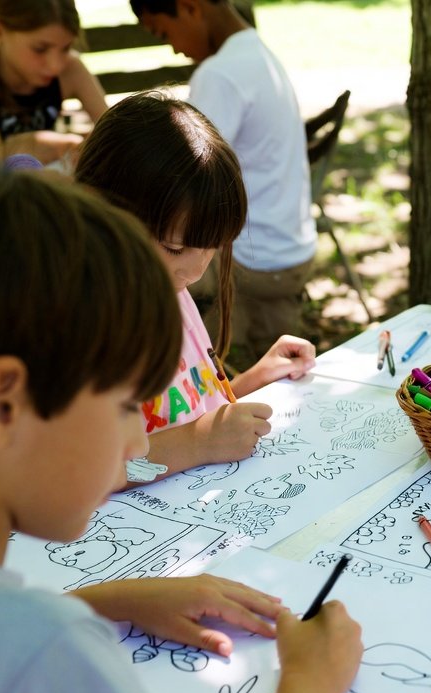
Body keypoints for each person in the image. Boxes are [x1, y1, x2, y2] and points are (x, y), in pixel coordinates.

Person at [0, 160, 363, 693]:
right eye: (125, 406)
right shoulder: (45, 656)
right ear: (1, 406)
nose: (140, 445)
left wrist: (100, 602)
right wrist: (311, 686)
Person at [74, 91, 317, 485]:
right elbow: (86, 472)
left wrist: (254, 381)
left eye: (212, 249)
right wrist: (198, 444)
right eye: (174, 248)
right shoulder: (82, 325)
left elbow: (177, 416)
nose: (196, 271)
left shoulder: (166, 287)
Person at [131, 0, 318, 368]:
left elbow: (183, 176)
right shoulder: (258, 52)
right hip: (291, 245)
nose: (174, 47)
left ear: (189, 7)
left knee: (153, 262)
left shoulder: (220, 74)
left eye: (164, 32)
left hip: (254, 258)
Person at [0, 0, 108, 167]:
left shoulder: (70, 67)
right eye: (40, 49)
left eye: (66, 48)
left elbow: (115, 133)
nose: (56, 65)